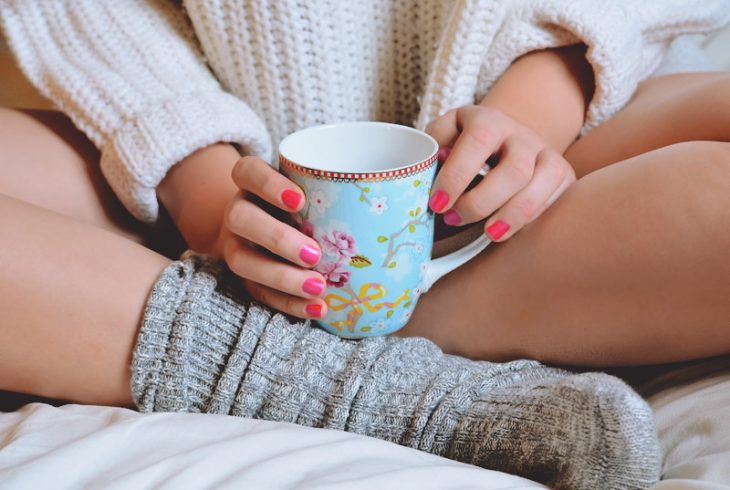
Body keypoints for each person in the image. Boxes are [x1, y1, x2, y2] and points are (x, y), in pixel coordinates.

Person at [0, 0, 728, 487]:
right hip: (203, 145)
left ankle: (381, 315)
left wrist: (531, 112)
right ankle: (358, 380)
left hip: (529, 121)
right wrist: (203, 186)